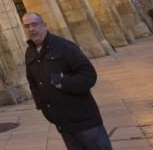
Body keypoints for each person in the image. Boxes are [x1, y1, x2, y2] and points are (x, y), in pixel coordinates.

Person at [22, 12, 112, 149]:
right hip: (62, 122)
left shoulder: (63, 46)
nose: (31, 29)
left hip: (84, 119)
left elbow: (89, 75)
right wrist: (42, 105)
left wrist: (63, 82)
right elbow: (32, 81)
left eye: (34, 24)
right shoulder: (30, 52)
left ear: (44, 26)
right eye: (27, 26)